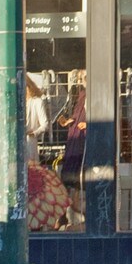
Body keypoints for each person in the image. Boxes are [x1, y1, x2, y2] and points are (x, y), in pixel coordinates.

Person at [57, 74, 88, 228]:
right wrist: (68, 121)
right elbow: (77, 117)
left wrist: (88, 125)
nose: (81, 80)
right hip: (76, 141)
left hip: (83, 143)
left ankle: (74, 215)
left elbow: (102, 118)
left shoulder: (92, 96)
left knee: (78, 178)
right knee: (72, 178)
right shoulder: (82, 97)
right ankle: (65, 216)